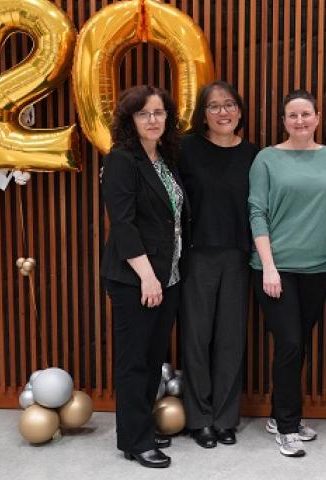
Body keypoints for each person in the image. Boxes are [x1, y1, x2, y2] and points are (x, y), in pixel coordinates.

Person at [249, 89, 326, 457]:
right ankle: (287, 426)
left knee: (299, 344)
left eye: (306, 114)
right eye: (293, 115)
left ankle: (280, 414)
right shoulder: (266, 159)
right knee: (289, 343)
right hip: (277, 269)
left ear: (318, 118)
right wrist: (269, 267)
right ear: (284, 120)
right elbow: (256, 212)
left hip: (319, 269)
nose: (300, 121)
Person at [101, 85, 188, 469]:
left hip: (168, 276)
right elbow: (123, 224)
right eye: (143, 113)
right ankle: (134, 441)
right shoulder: (122, 160)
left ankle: (140, 427)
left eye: (158, 113)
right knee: (134, 362)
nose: (153, 120)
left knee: (153, 360)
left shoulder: (164, 159)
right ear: (130, 120)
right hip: (136, 279)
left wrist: (164, 277)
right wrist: (148, 278)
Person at [178, 81, 257, 448]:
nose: (223, 112)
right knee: (196, 337)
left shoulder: (255, 155)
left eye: (229, 105)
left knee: (230, 339)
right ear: (203, 115)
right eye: (214, 106)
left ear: (240, 112)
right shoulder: (186, 149)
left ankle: (225, 418)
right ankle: (199, 418)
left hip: (239, 256)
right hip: (197, 255)